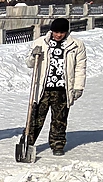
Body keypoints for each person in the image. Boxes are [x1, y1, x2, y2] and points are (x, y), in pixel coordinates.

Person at [26, 18, 87, 156]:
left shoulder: (76, 45)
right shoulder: (41, 43)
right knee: (35, 118)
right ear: (51, 31)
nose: (58, 35)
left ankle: (57, 144)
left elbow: (80, 67)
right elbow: (29, 63)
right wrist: (33, 56)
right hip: (43, 88)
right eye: (56, 32)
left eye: (62, 32)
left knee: (59, 120)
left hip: (63, 88)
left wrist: (78, 87)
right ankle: (27, 143)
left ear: (67, 32)